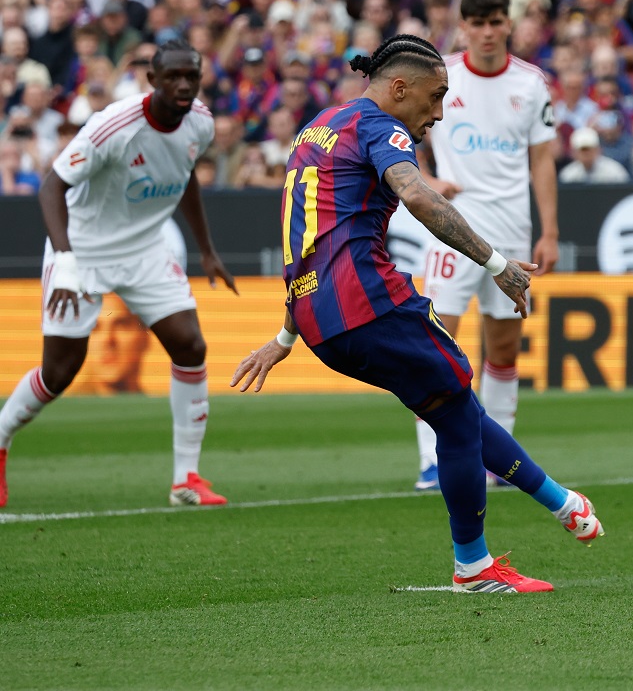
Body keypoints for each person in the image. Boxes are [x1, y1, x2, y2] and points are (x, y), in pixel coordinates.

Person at [229, 34, 601, 593]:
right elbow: (420, 198)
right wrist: (497, 262)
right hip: (370, 302)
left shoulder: (319, 127)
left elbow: (306, 236)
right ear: (399, 87)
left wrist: (286, 334)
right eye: (435, 96)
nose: (439, 112)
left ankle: (560, 502)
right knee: (455, 410)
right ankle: (474, 566)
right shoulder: (384, 127)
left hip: (319, 320)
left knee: (453, 404)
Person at [0, 39, 238, 509]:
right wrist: (65, 260)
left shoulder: (201, 123)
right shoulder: (113, 127)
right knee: (60, 372)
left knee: (190, 344)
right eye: (174, 77)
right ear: (153, 80)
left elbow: (185, 171)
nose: (185, 85)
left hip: (145, 249)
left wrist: (207, 250)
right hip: (82, 250)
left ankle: (185, 479)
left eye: (192, 75)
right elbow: (51, 188)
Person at [411, 0, 560, 492]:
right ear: (464, 26)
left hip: (513, 230)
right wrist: (425, 177)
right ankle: (434, 460)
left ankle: (500, 460)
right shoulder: (440, 74)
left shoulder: (532, 82)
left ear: (509, 24)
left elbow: (542, 159)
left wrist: (550, 230)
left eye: (497, 21)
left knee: (503, 351)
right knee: (436, 344)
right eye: (478, 23)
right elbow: (398, 127)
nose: (488, 32)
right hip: (449, 227)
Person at [559, 126, 631, 183]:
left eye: (589, 149)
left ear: (598, 150)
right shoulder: (568, 175)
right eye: (583, 150)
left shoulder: (614, 172)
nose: (586, 154)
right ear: (574, 153)